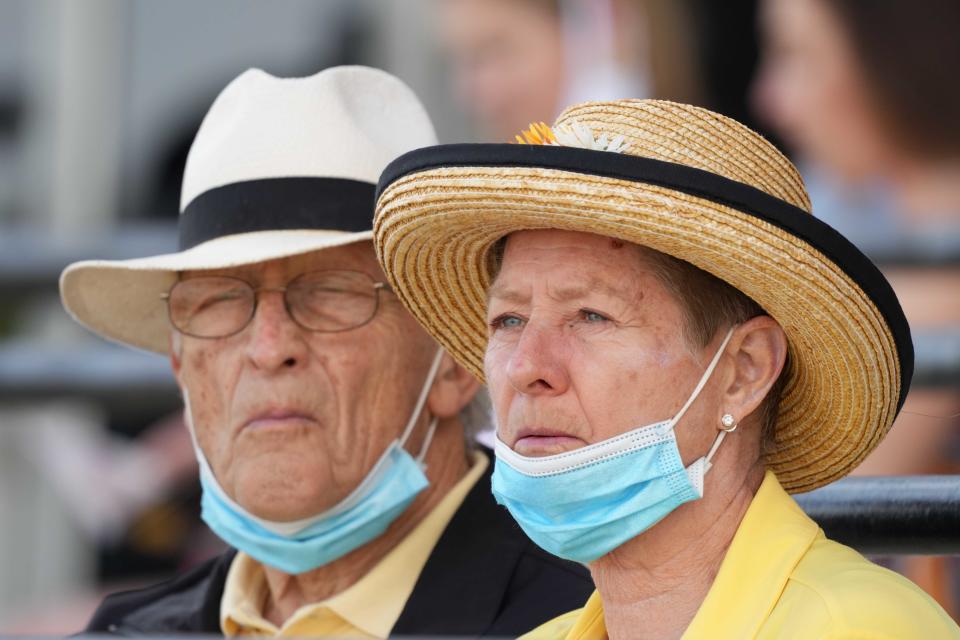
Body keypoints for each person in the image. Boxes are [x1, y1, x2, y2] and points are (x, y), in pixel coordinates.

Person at [372, 99, 960, 638]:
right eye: (508, 320)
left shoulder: (859, 628)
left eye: (591, 315)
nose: (528, 367)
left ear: (744, 371)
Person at [60, 66, 592, 637]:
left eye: (330, 295)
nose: (268, 348)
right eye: (217, 302)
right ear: (181, 366)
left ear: (455, 361)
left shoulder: (586, 621)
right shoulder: (126, 632)